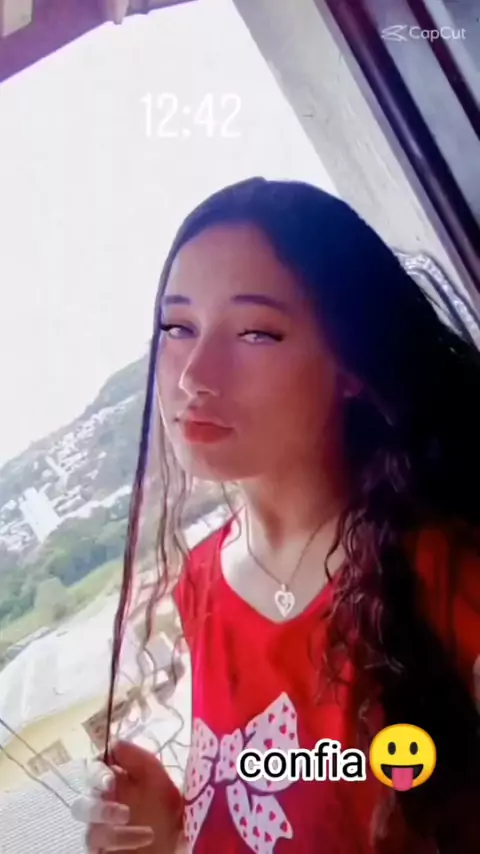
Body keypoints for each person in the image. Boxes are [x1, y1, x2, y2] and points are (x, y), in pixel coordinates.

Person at [74, 178, 480, 853]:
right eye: (178, 328)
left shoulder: (448, 573)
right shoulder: (201, 584)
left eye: (256, 333)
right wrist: (172, 835)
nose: (194, 375)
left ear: (352, 364)